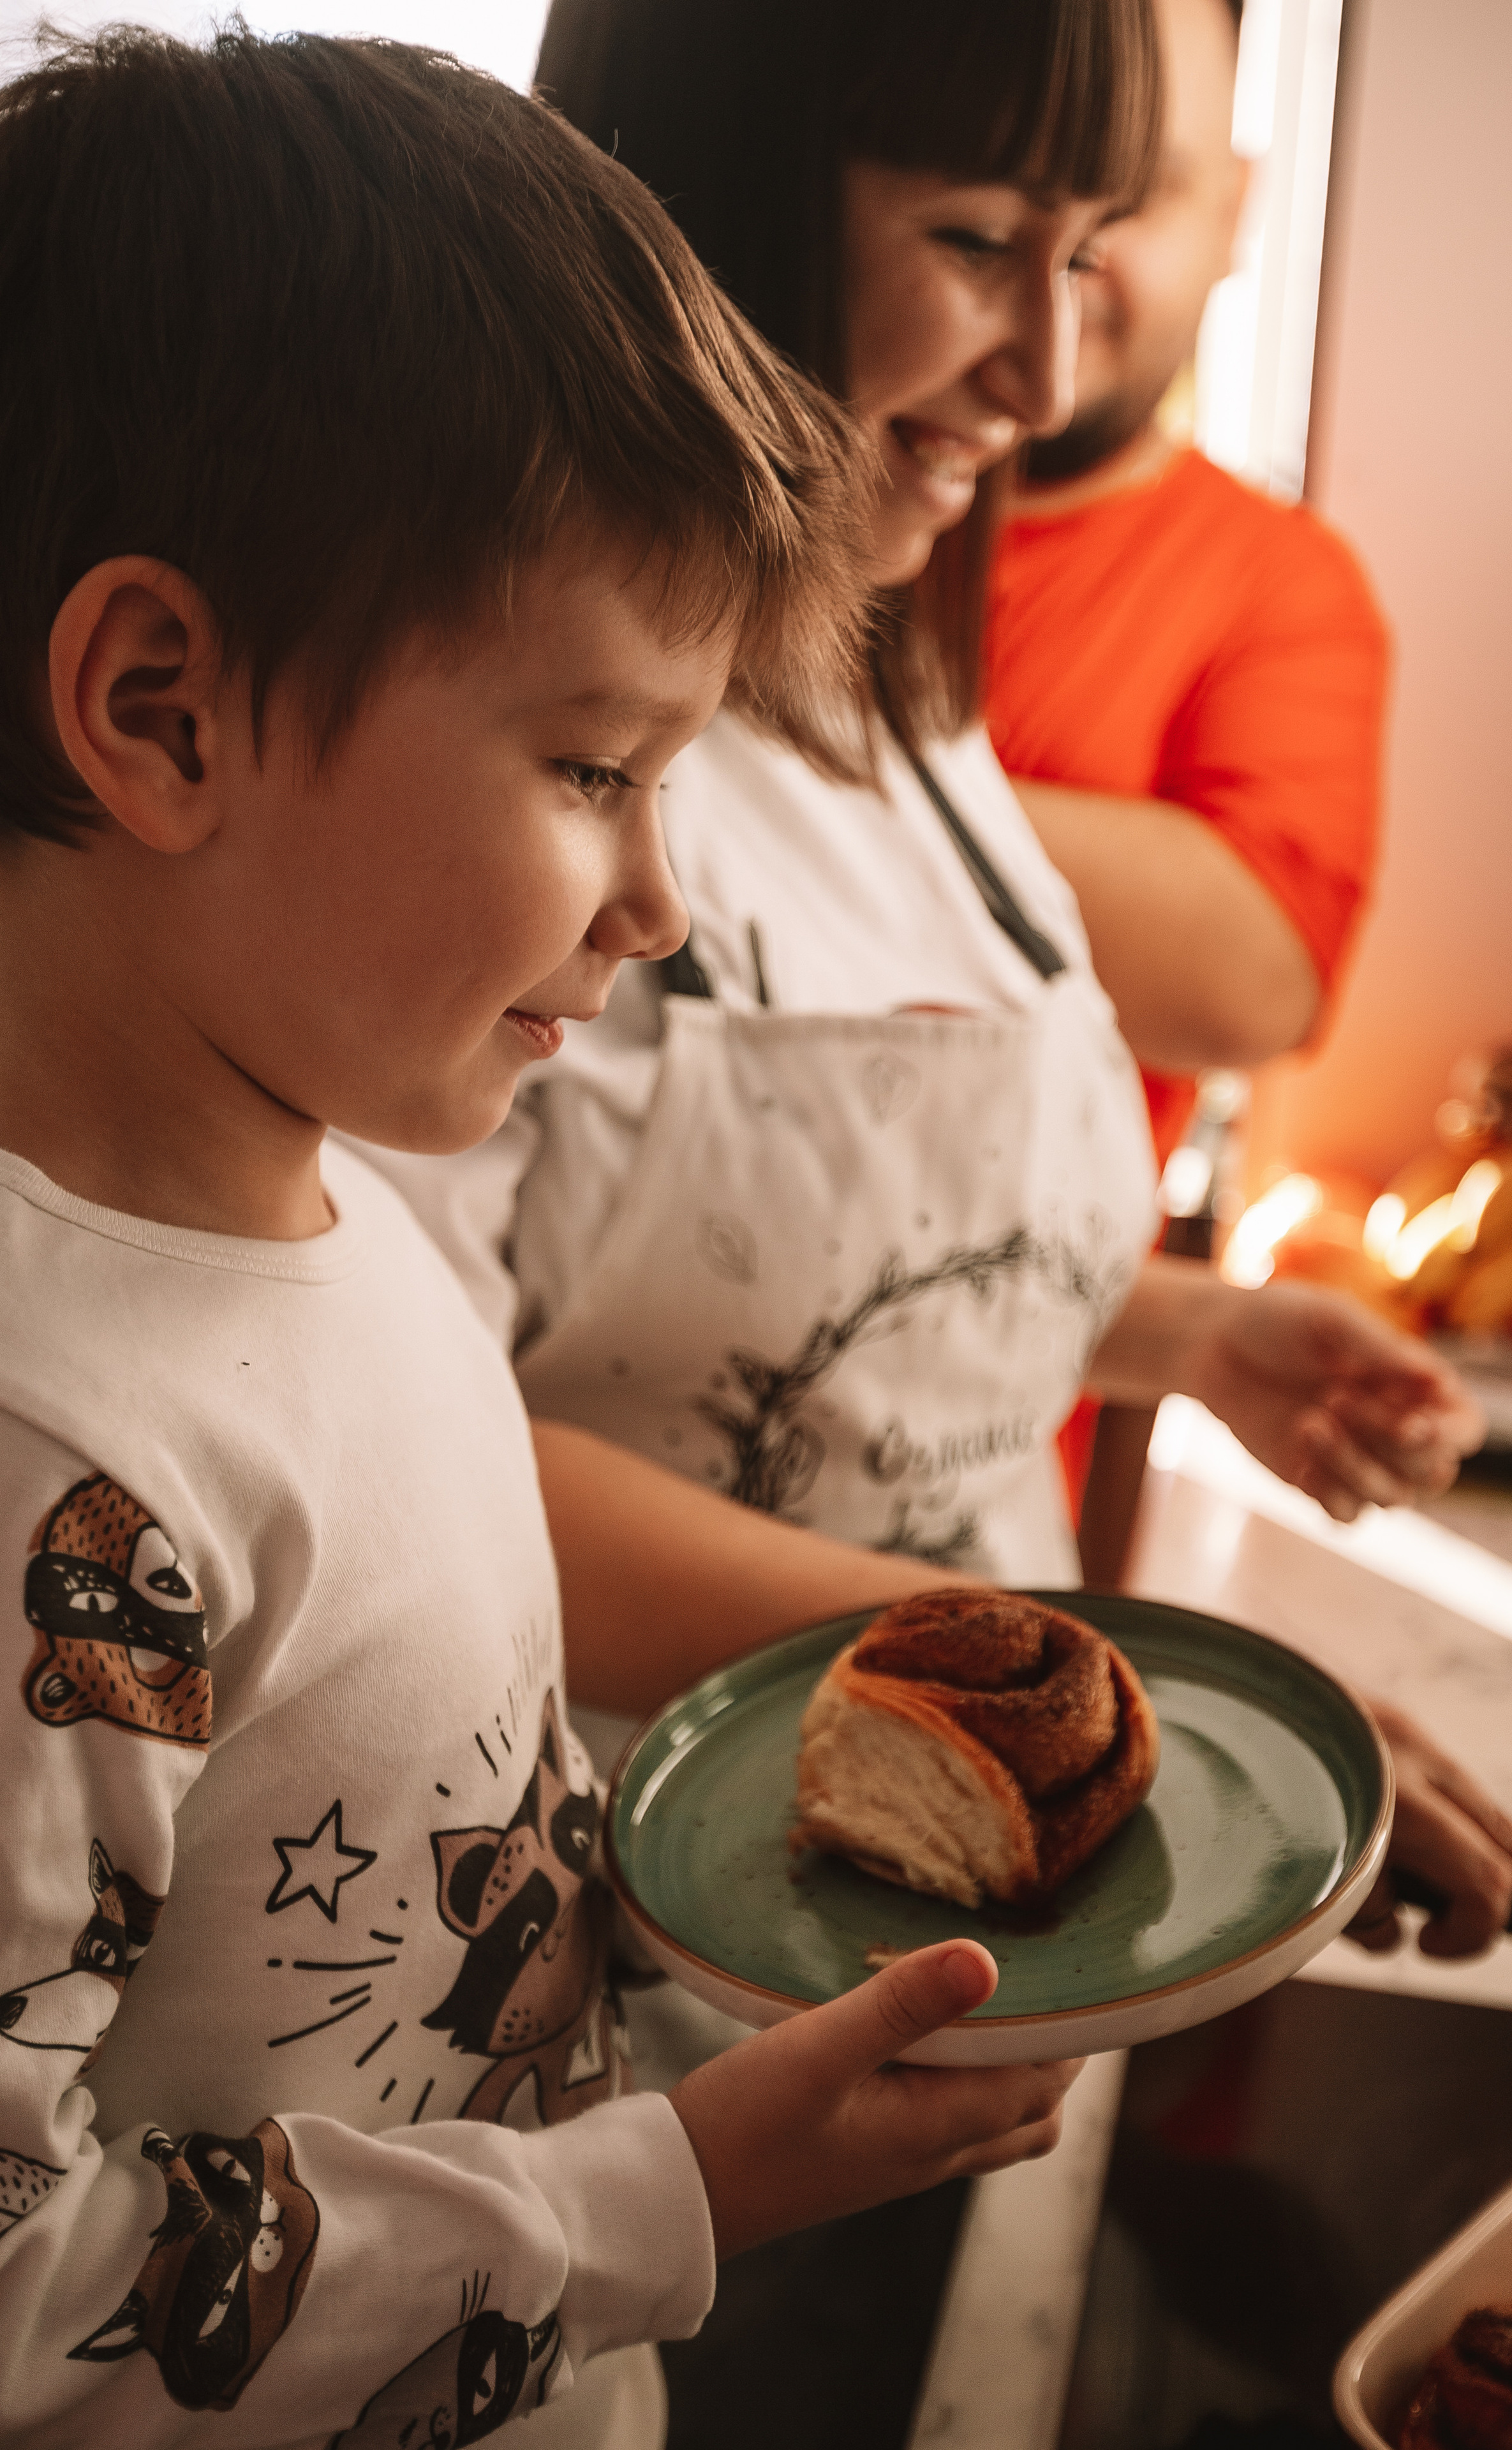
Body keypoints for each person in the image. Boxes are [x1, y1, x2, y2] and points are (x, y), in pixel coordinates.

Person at [0, 33, 1087, 2447]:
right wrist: (657, 2194)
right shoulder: (49, 1445)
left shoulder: (341, 1202)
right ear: (160, 706)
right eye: (594, 770)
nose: (659, 903)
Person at [362, 0, 1512, 1982]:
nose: (1048, 367)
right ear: (711, 199)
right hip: (621, 1913)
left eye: (1087, 252)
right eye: (972, 241)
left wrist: (1177, 1332)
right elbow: (407, 1440)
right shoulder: (520, 759)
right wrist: (1112, 1688)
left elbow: (796, 1270)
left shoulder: (905, 702)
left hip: (956, 1890)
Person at [987, 0, 1390, 1160]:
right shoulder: (774, 497)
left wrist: (803, 781)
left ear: (1236, 212)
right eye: (1001, 200)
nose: (1063, 255)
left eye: (1133, 194)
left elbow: (1253, 986)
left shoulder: (1280, 584)